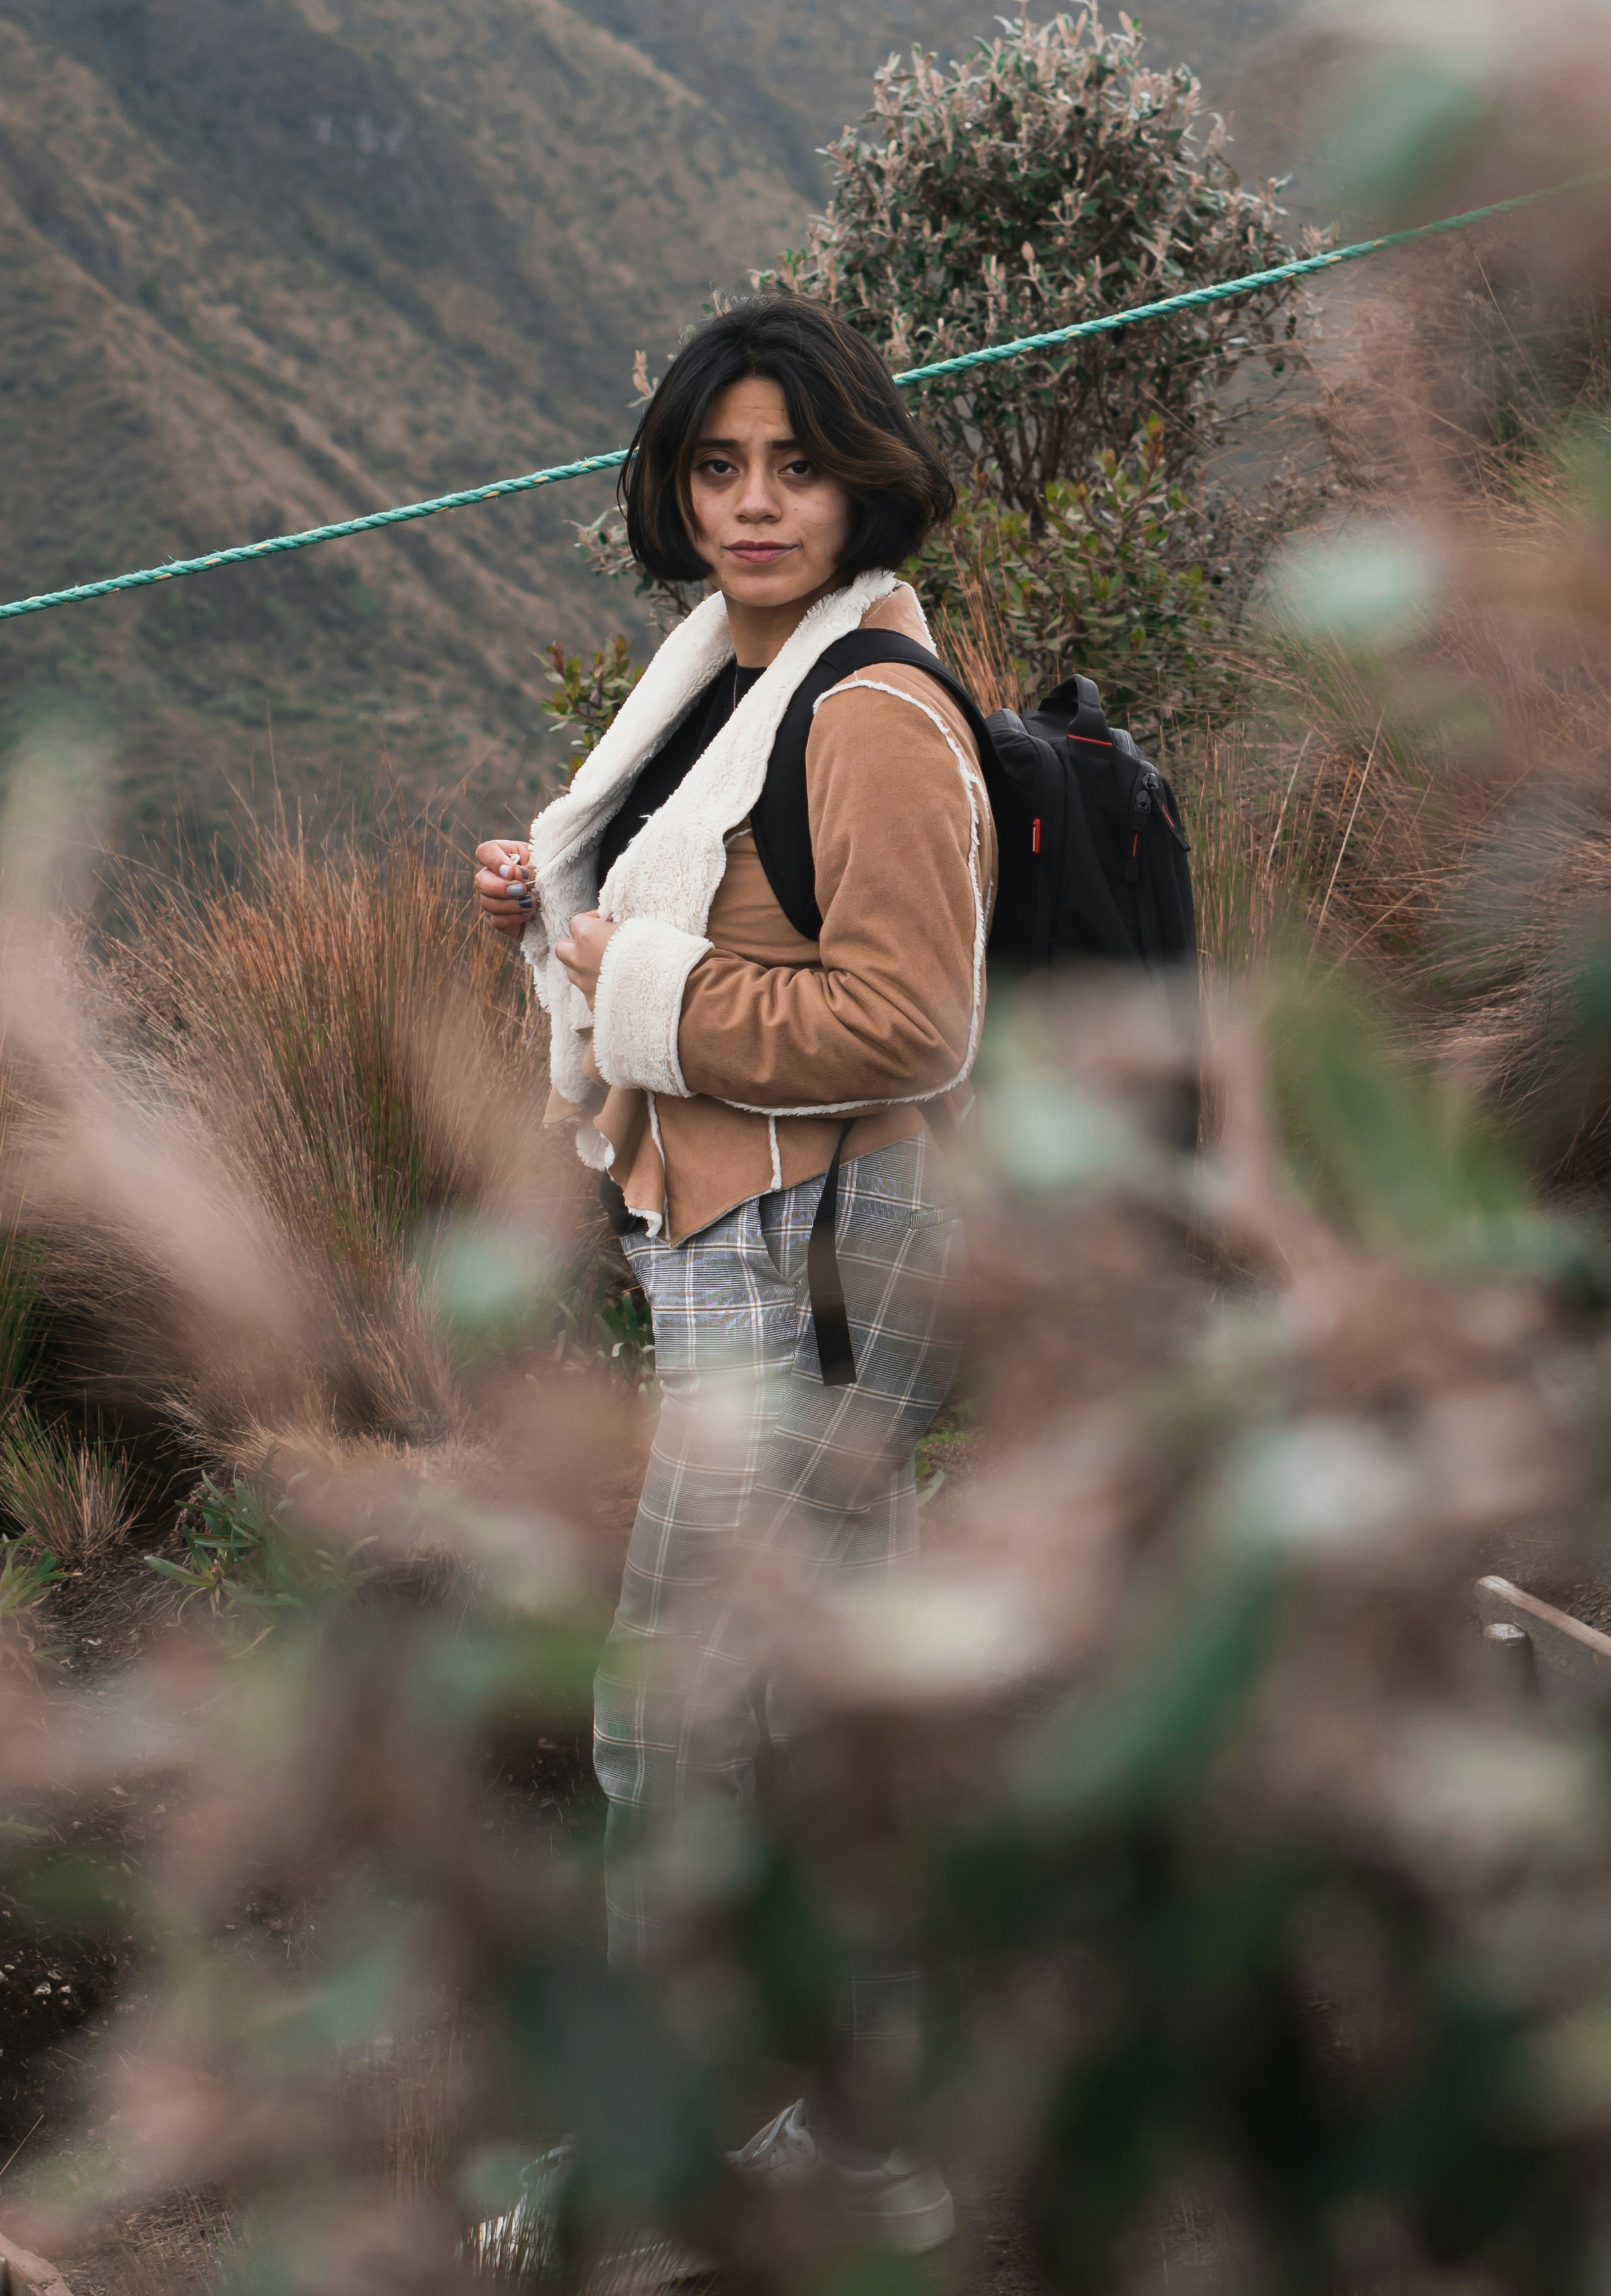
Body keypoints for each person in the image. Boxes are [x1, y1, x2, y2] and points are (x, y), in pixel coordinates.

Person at [473, 297, 992, 2255]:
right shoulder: (728, 669)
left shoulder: (865, 704)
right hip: (741, 1231)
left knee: (672, 1717)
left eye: (792, 463)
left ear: (861, 470)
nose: (755, 503)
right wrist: (563, 916)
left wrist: (634, 984)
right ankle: (859, 2144)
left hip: (816, 1253)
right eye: (717, 465)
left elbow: (912, 1016)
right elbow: (692, 903)